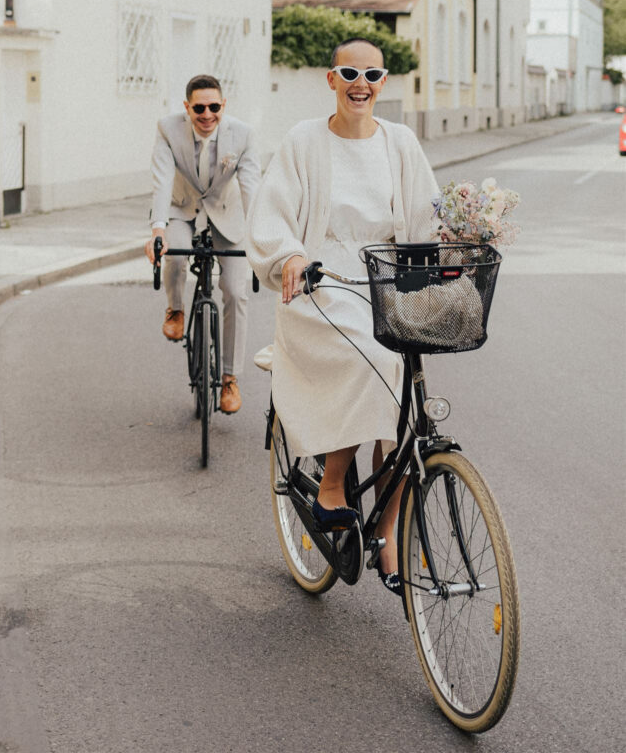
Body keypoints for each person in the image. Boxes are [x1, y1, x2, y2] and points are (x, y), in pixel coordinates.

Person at [245, 38, 439, 591]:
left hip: (386, 277)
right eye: (350, 72)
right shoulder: (305, 140)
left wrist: (448, 245)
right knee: (374, 357)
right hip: (323, 280)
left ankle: (390, 534)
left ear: (383, 81)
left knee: (406, 389)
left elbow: (425, 213)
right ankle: (333, 481)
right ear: (332, 79)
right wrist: (292, 254)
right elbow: (274, 210)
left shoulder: (400, 141)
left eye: (372, 73)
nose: (362, 82)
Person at [145, 75, 261, 413]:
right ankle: (176, 308)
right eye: (199, 108)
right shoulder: (168, 129)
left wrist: (257, 234)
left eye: (214, 107)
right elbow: (163, 179)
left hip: (228, 213)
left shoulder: (243, 134)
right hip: (181, 207)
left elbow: (252, 185)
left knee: (236, 291)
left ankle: (229, 378)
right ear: (187, 108)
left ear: (223, 106)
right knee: (176, 258)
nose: (207, 114)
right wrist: (158, 230)